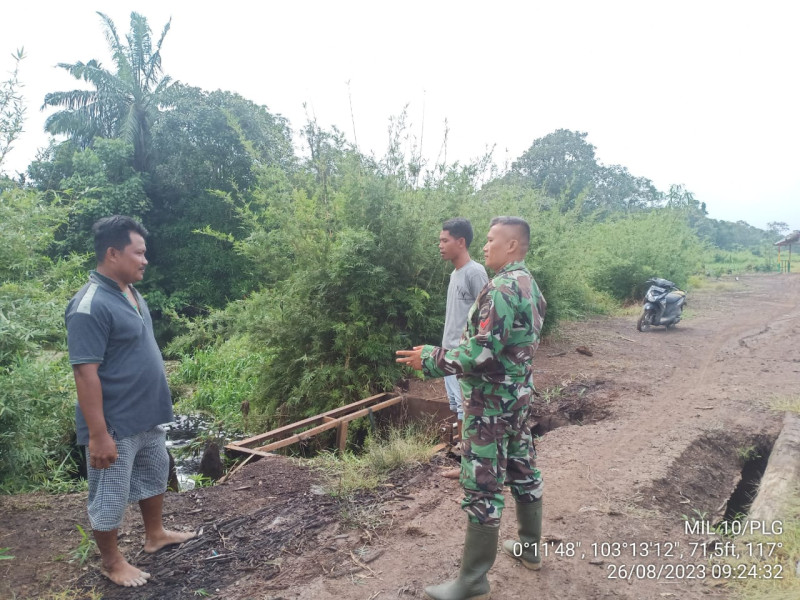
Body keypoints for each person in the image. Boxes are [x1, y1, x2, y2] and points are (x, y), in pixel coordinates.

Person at [397, 216, 546, 600]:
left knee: (483, 485)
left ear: (512, 245)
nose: (485, 245)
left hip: (491, 406)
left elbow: (480, 352)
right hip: (517, 400)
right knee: (523, 469)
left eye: (493, 239)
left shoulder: (499, 290)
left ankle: (473, 580)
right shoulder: (529, 285)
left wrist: (431, 358)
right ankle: (530, 548)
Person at [65, 215, 195, 588]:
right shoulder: (89, 306)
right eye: (138, 253)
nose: (145, 260)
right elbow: (85, 374)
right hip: (115, 422)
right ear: (112, 253)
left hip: (148, 415)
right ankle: (112, 562)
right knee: (109, 494)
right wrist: (98, 435)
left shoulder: (131, 293)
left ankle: (155, 535)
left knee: (155, 474)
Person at [438, 218, 488, 478]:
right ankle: (463, 458)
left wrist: (472, 354)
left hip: (464, 355)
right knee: (458, 406)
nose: (440, 245)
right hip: (449, 352)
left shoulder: (474, 272)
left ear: (461, 242)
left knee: (467, 406)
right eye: (440, 240)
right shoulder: (455, 273)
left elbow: (486, 316)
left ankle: (471, 463)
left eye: (445, 240)